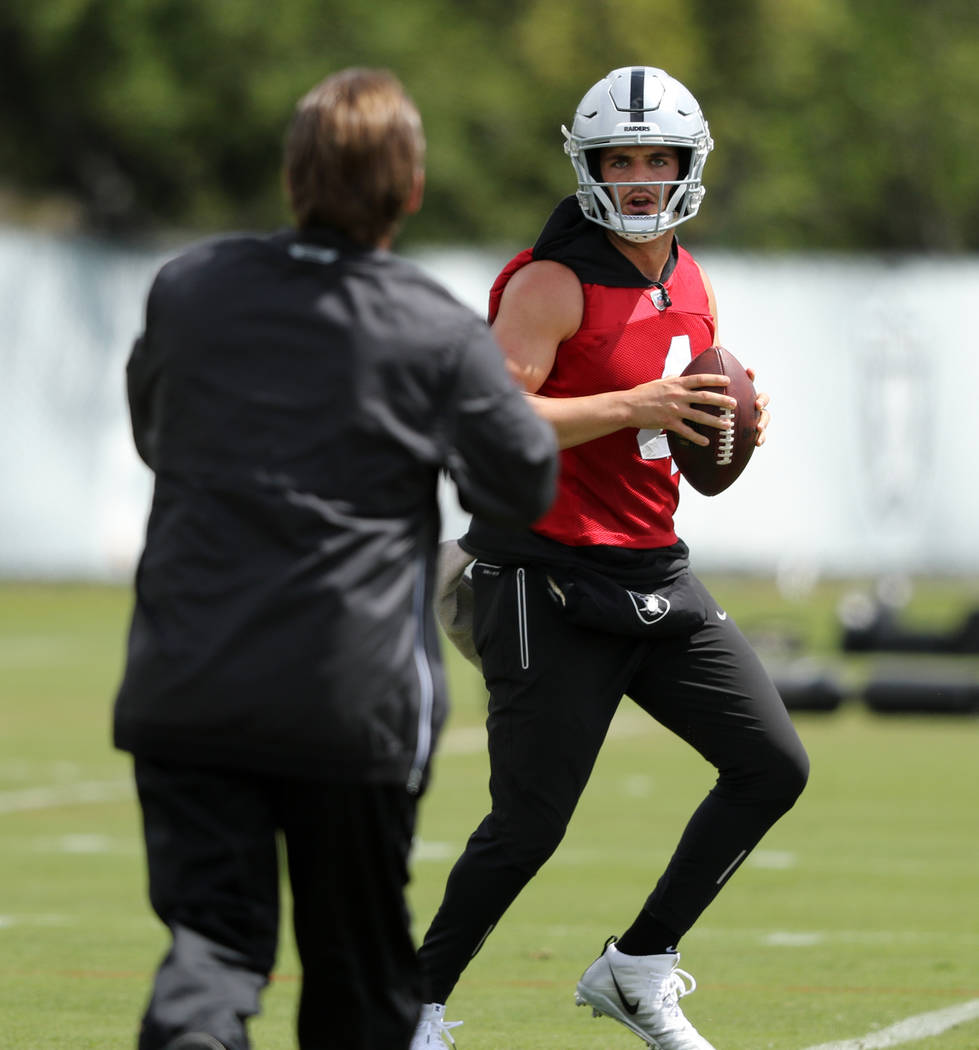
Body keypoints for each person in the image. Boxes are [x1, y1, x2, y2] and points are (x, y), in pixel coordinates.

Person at [113, 68, 557, 1050]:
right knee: (358, 982)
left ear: (292, 174)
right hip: (347, 699)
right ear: (411, 187)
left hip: (187, 681)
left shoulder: (188, 290)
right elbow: (522, 484)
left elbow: (156, 432)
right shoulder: (435, 328)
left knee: (212, 951)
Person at [412, 66, 810, 1050]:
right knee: (529, 825)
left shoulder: (689, 276)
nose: (638, 176)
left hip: (650, 570)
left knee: (770, 765)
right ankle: (404, 1006)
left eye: (656, 157)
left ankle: (636, 968)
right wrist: (641, 407)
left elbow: (676, 417)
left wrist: (727, 418)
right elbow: (489, 423)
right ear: (587, 167)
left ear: (688, 162)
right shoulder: (548, 280)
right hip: (539, 575)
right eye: (619, 159)